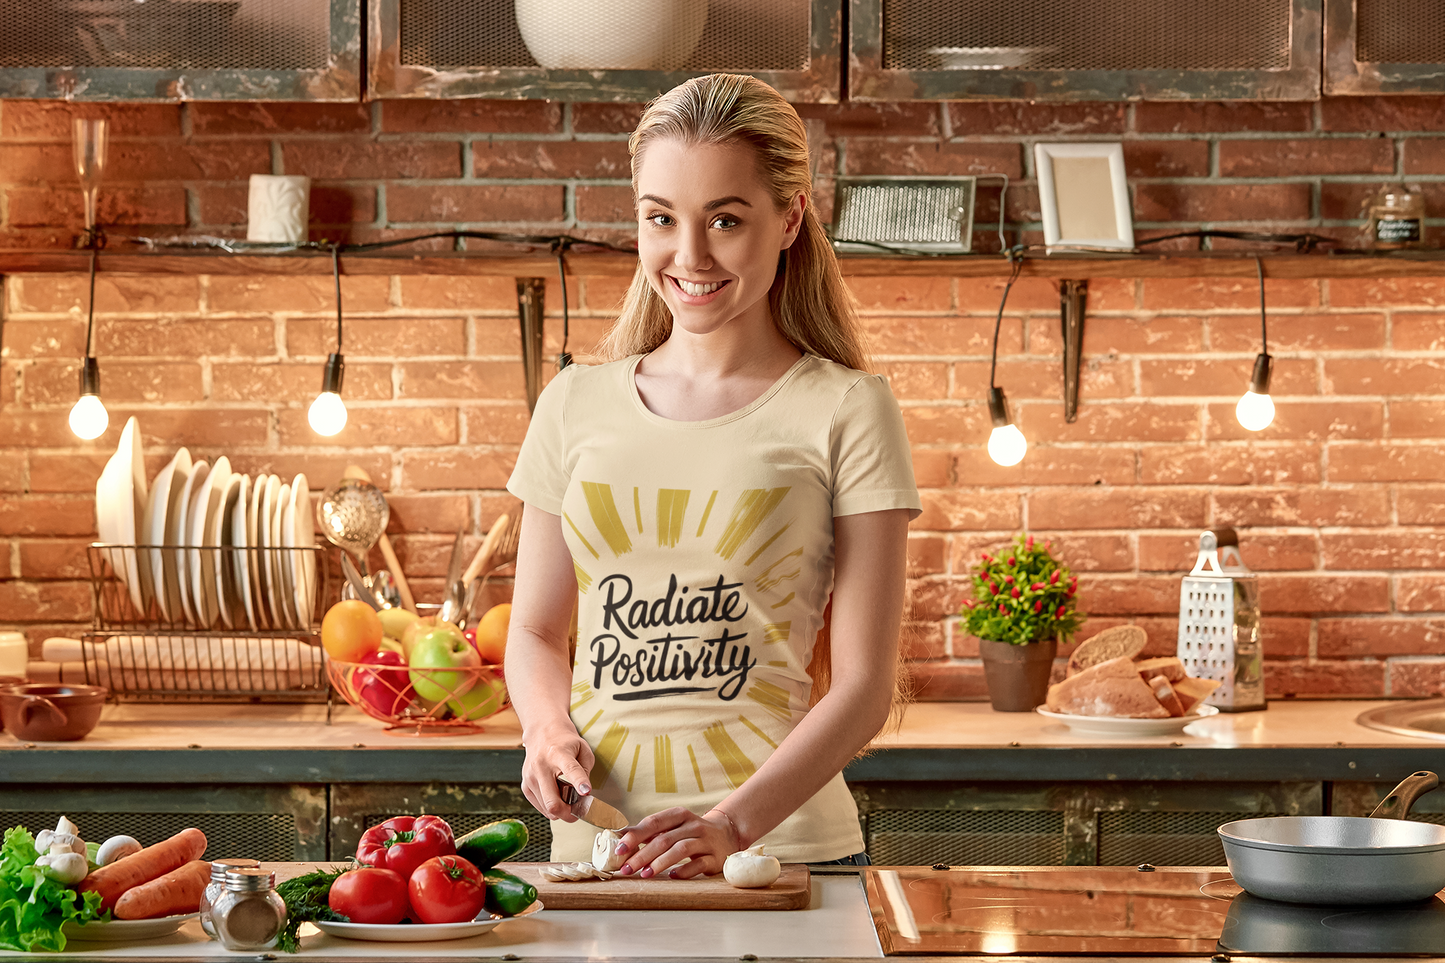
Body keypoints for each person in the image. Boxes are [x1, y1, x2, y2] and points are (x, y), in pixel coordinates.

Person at [505, 73, 920, 878]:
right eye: (661, 218)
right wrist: (544, 730)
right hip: (599, 853)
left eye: (725, 220)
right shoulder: (572, 403)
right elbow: (531, 631)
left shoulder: (846, 408)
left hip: (777, 854)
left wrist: (729, 825)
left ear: (790, 217)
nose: (688, 256)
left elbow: (866, 685)